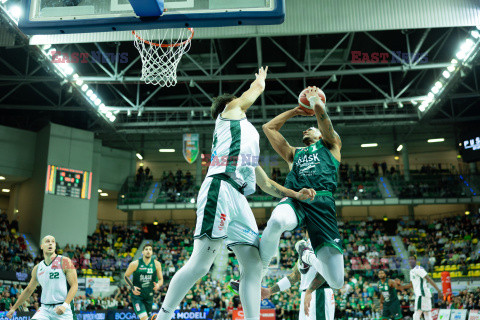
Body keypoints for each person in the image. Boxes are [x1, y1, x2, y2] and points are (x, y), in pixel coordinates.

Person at [155, 67, 315, 320]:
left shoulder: (244, 137)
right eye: (237, 101)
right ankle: (163, 315)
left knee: (253, 264)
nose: (242, 103)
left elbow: (266, 184)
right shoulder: (228, 115)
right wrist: (260, 81)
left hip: (238, 197)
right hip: (220, 188)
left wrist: (295, 194)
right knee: (200, 265)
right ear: (228, 107)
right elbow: (254, 91)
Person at [260, 86, 344, 290]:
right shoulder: (294, 153)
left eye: (311, 128)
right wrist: (296, 111)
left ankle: (306, 254)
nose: (306, 129)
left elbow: (326, 127)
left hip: (322, 204)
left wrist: (317, 103)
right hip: (296, 200)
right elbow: (268, 128)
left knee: (336, 281)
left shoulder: (331, 145)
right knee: (278, 220)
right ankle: (258, 270)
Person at [7, 235, 78, 320]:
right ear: (41, 246)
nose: (50, 243)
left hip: (63, 308)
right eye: (47, 241)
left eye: (53, 241)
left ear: (55, 246)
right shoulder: (37, 268)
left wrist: (65, 305)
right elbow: (29, 290)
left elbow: (74, 285)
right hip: (45, 309)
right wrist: (14, 308)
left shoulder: (65, 261)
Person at [261, 239, 335, 320]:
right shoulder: (304, 246)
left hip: (319, 292)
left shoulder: (322, 241)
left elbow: (325, 270)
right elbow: (295, 276)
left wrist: (309, 291)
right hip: (307, 293)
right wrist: (270, 290)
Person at [124, 244, 163, 320]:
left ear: (152, 252)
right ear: (142, 252)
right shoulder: (135, 264)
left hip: (149, 297)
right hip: (137, 296)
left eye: (150, 249)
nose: (148, 251)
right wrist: (132, 287)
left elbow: (161, 279)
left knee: (147, 319)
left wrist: (158, 285)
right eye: (146, 249)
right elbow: (126, 276)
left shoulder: (157, 264)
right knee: (144, 318)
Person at [404, 256, 443, 320]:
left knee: (416, 315)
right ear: (408, 261)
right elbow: (411, 285)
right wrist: (400, 287)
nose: (411, 260)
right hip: (424, 294)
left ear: (415, 261)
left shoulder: (418, 268)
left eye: (412, 259)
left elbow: (429, 279)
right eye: (409, 259)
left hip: (421, 294)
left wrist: (438, 290)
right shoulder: (411, 271)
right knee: (427, 315)